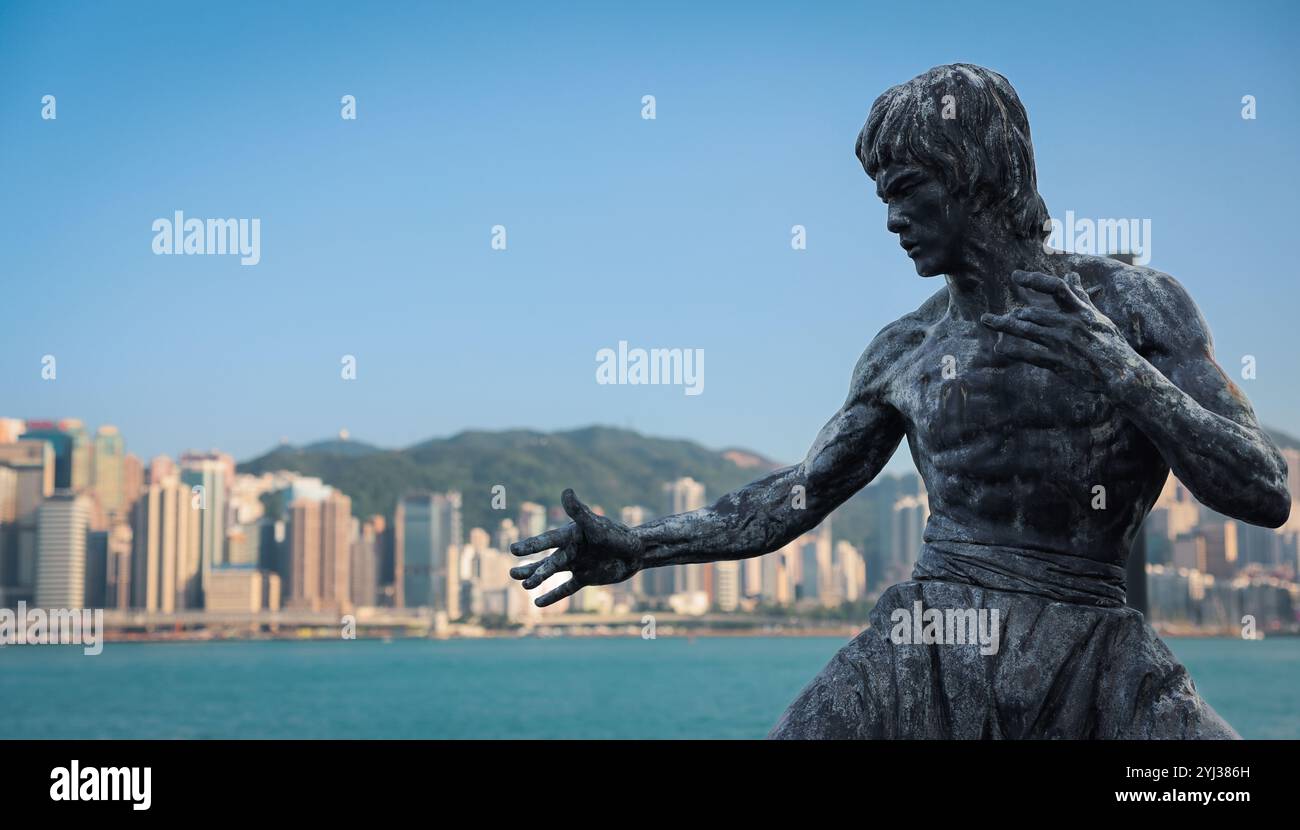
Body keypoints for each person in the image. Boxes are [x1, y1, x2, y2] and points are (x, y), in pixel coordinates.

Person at [510, 64, 1289, 738]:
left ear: (978, 174)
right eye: (882, 196)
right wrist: (644, 546)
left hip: (1095, 646)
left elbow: (1262, 489)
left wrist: (1116, 367)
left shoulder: (1136, 306)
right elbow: (795, 495)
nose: (890, 219)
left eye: (909, 191)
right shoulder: (903, 351)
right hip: (925, 642)